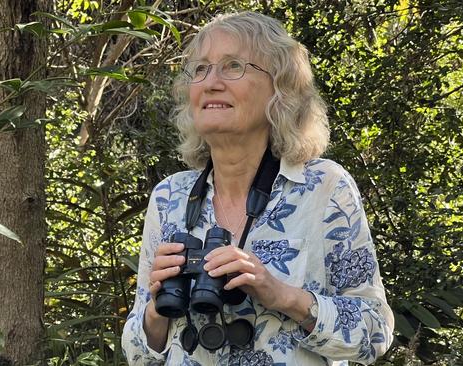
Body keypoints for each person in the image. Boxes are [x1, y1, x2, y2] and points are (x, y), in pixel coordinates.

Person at [121, 11, 394, 366]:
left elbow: (374, 333)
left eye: (233, 66)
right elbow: (138, 354)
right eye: (200, 69)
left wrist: (282, 296)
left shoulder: (324, 187)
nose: (211, 82)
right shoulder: (169, 197)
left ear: (280, 89)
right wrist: (158, 311)